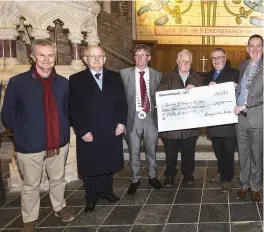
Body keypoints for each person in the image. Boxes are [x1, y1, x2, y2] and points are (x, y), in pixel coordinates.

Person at [2, 39, 75, 232]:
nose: (46, 59)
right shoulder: (18, 83)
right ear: (33, 56)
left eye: (50, 55)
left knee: (58, 178)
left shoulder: (63, 83)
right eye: (41, 55)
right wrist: (21, 133)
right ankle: (29, 218)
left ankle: (59, 207)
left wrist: (63, 131)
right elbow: (8, 114)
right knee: (30, 184)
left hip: (58, 143)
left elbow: (68, 111)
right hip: (29, 144)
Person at [69, 45, 127, 212]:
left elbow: (122, 103)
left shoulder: (115, 77)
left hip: (111, 129)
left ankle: (107, 192)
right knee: (90, 166)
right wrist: (82, 130)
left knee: (109, 164)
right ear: (85, 59)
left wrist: (122, 122)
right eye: (92, 56)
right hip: (89, 131)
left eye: (100, 56)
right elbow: (74, 108)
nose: (96, 59)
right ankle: (91, 197)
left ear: (105, 59)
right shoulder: (76, 79)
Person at [120, 44, 163, 195]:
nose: (139, 59)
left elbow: (161, 97)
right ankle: (135, 179)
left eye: (143, 55)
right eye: (137, 55)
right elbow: (119, 99)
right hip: (132, 118)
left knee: (152, 150)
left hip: (151, 118)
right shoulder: (124, 74)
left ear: (149, 57)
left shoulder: (157, 75)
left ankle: (152, 176)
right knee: (134, 151)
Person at [158, 49, 202, 187]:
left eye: (188, 62)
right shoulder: (167, 76)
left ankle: (188, 173)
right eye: (182, 61)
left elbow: (204, 97)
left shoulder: (197, 78)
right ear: (177, 61)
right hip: (172, 127)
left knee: (189, 153)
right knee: (170, 154)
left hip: (190, 126)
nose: (185, 64)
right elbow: (160, 95)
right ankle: (170, 175)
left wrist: (195, 89)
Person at [203, 48, 239, 192]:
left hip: (229, 120)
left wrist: (235, 87)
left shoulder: (234, 73)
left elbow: (241, 92)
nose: (217, 60)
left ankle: (227, 178)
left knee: (228, 150)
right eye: (214, 58)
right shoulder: (207, 76)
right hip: (213, 120)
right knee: (218, 149)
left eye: (220, 57)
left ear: (225, 58)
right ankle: (221, 171)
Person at [234, 34, 263, 202]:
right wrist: (236, 88)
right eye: (251, 46)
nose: (255, 49)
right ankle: (244, 185)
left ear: (263, 48)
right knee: (243, 154)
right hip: (241, 119)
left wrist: (246, 105)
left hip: (257, 118)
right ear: (247, 48)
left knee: (256, 155)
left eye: (258, 46)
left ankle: (255, 187)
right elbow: (245, 88)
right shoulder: (243, 65)